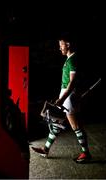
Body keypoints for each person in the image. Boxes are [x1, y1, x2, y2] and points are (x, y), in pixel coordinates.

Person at [31, 32, 92, 163]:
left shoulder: (73, 59)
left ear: (68, 44)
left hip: (68, 97)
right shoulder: (69, 59)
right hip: (66, 96)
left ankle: (86, 153)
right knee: (57, 123)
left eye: (61, 45)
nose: (60, 48)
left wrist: (63, 98)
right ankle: (46, 149)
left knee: (76, 126)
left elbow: (72, 82)